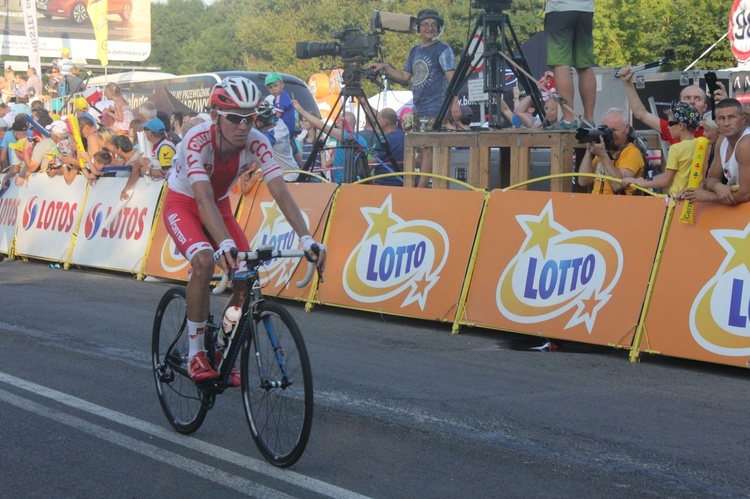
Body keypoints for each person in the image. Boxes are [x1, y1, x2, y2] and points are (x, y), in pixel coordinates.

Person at [162, 76, 325, 384]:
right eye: (234, 119)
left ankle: (223, 346)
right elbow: (202, 196)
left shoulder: (257, 141)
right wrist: (222, 243)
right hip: (183, 203)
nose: (243, 126)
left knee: (246, 272)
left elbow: (281, 192)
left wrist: (306, 237)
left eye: (249, 119)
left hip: (219, 205)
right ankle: (196, 352)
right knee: (204, 261)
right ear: (215, 116)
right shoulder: (196, 141)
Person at [371, 8, 462, 187]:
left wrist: (455, 103)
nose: (429, 28)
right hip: (418, 107)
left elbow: (453, 78)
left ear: (438, 28)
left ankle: (419, 189)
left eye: (433, 25)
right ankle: (417, 185)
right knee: (418, 148)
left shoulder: (443, 49)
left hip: (436, 106)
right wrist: (385, 67)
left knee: (428, 148)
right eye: (425, 25)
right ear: (418, 28)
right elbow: (404, 77)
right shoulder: (414, 51)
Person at [619, 69, 722, 144]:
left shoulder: (715, 127)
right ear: (679, 104)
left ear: (704, 107)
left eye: (697, 99)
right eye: (687, 98)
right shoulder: (673, 126)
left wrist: (724, 101)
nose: (691, 102)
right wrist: (627, 83)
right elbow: (640, 114)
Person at [678, 98, 750, 205]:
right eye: (721, 118)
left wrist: (708, 196)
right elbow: (711, 178)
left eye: (732, 117)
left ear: (743, 119)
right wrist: (717, 187)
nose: (726, 123)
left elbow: (745, 194)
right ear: (716, 122)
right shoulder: (721, 140)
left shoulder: (746, 143)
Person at [622, 102, 701, 196]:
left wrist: (642, 182)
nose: (668, 127)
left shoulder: (676, 148)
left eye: (670, 123)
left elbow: (666, 180)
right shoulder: (701, 144)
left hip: (678, 199)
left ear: (681, 126)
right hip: (694, 197)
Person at [544, 0, 596, 129]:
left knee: (561, 64)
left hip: (560, 8)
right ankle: (589, 120)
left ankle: (568, 120)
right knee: (584, 65)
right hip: (586, 9)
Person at [293, 100, 368, 184]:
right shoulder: (361, 140)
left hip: (343, 181)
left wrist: (300, 110)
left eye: (338, 121)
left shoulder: (344, 136)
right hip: (357, 180)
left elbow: (320, 125)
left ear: (344, 122)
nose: (336, 123)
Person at [577, 108, 645, 195]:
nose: (610, 134)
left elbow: (617, 185)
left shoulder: (632, 152)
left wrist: (603, 155)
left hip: (617, 205)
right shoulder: (603, 150)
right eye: (606, 130)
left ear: (627, 128)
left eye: (614, 130)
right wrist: (588, 151)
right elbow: (583, 181)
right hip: (595, 204)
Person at [253, 103, 299, 181]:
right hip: (284, 173)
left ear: (259, 123)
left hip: (288, 176)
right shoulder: (279, 123)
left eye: (252, 121)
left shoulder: (273, 136)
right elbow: (276, 118)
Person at [370, 107, 404, 186]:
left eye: (378, 119)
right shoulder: (401, 134)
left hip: (385, 182)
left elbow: (372, 163)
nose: (376, 122)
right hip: (400, 182)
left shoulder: (385, 140)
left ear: (385, 122)